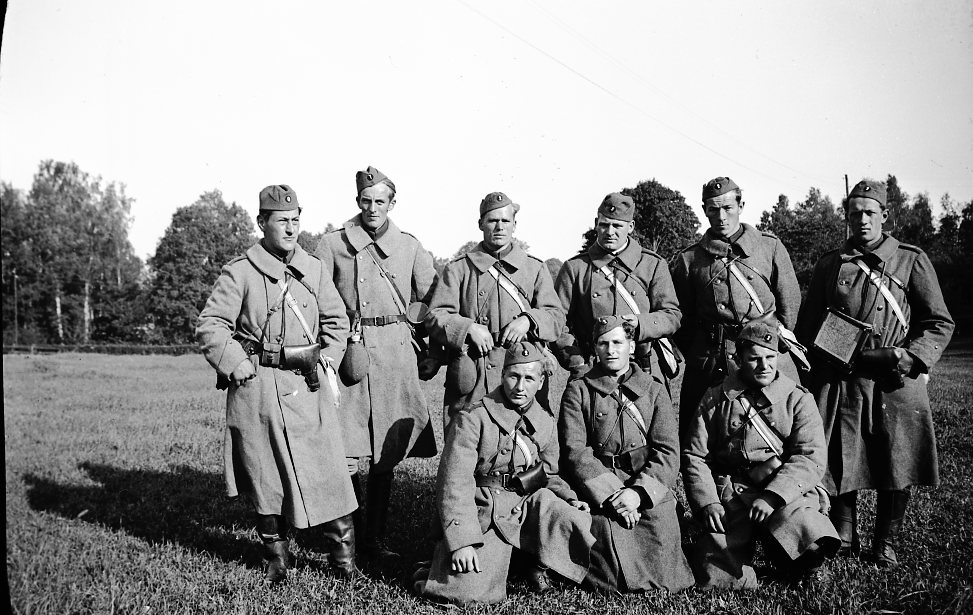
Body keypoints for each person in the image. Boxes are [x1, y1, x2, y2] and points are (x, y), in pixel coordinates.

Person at [196, 184, 357, 583]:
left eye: (296, 220)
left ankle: (343, 562)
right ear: (261, 222)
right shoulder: (240, 271)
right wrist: (235, 362)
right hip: (259, 387)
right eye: (282, 221)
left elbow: (337, 321)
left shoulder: (313, 269)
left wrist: (329, 359)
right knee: (265, 474)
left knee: (329, 470)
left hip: (308, 384)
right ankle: (277, 560)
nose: (290, 229)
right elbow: (211, 324)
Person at [795, 179, 954, 567]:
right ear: (847, 218)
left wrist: (911, 358)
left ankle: (886, 541)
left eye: (869, 213)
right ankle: (844, 532)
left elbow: (938, 322)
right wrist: (822, 355)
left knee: (897, 456)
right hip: (843, 376)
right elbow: (809, 325)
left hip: (894, 378)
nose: (862, 220)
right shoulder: (831, 264)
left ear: (885, 215)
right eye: (854, 214)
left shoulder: (910, 260)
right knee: (840, 453)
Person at [315, 166, 439, 561]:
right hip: (349, 356)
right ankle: (347, 541)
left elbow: (435, 302)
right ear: (358, 201)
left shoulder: (409, 246)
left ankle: (375, 540)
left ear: (392, 203)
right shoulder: (332, 244)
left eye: (380, 201)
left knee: (385, 453)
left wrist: (433, 351)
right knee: (347, 451)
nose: (373, 208)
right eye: (366, 201)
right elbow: (313, 297)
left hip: (395, 357)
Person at [415, 342, 595, 604]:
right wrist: (462, 541)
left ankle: (533, 564)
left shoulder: (545, 422)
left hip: (523, 505)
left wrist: (569, 499)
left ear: (541, 382)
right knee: (469, 595)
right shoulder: (473, 417)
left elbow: (550, 474)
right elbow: (454, 482)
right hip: (485, 508)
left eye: (529, 378)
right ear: (502, 375)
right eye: (514, 376)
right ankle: (430, 570)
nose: (520, 386)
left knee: (570, 516)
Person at [682, 318, 840, 588]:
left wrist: (772, 496)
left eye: (770, 357)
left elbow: (809, 456)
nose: (764, 366)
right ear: (739, 360)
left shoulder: (798, 398)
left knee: (803, 530)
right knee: (718, 577)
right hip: (733, 490)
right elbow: (695, 455)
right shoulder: (716, 398)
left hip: (783, 488)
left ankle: (800, 560)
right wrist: (708, 502)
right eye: (754, 359)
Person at [558, 315, 695, 592]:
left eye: (618, 343)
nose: (611, 350)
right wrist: (614, 494)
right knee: (607, 544)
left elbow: (668, 450)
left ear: (631, 347)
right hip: (600, 486)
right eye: (603, 343)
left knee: (660, 533)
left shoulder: (653, 389)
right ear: (594, 348)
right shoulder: (578, 390)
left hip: (644, 482)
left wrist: (637, 494)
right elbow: (576, 451)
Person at [671, 176, 804, 439]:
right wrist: (705, 348)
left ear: (741, 206)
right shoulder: (689, 259)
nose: (721, 216)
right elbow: (683, 320)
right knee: (705, 434)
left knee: (780, 426)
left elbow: (790, 304)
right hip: (712, 361)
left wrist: (769, 343)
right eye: (713, 209)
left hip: (766, 353)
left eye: (728, 208)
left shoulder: (770, 247)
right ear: (704, 210)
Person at [425, 191, 564, 426]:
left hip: (520, 371)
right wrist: (468, 328)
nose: (499, 227)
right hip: (474, 372)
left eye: (505, 221)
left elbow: (556, 316)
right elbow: (436, 315)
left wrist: (528, 320)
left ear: (514, 225)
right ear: (480, 223)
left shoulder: (534, 268)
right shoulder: (458, 269)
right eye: (492, 220)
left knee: (521, 439)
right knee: (467, 436)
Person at [554, 192, 682, 384]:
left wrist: (641, 323)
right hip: (593, 371)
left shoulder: (652, 264)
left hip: (643, 369)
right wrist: (577, 363)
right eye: (604, 225)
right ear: (596, 223)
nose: (610, 232)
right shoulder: (575, 268)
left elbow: (672, 316)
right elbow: (556, 321)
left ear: (631, 227)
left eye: (617, 226)